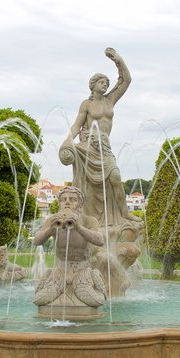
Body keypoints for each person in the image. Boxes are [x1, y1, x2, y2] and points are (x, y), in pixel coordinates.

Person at [59, 47, 141, 227]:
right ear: (93, 85)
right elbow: (76, 124)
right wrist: (68, 140)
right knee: (83, 184)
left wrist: (118, 60)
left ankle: (125, 213)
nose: (105, 84)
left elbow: (126, 80)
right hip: (89, 147)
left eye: (106, 82)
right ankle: (78, 211)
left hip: (105, 148)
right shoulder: (86, 104)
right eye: (102, 82)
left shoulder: (110, 100)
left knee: (115, 177)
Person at [32, 186, 107, 310]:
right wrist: (51, 228)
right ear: (60, 203)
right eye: (64, 199)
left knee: (94, 300)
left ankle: (94, 275)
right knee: (39, 299)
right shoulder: (52, 220)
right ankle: (49, 276)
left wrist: (78, 227)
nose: (67, 202)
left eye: (73, 199)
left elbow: (100, 240)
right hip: (61, 268)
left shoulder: (88, 220)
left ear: (80, 204)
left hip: (81, 268)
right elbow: (36, 241)